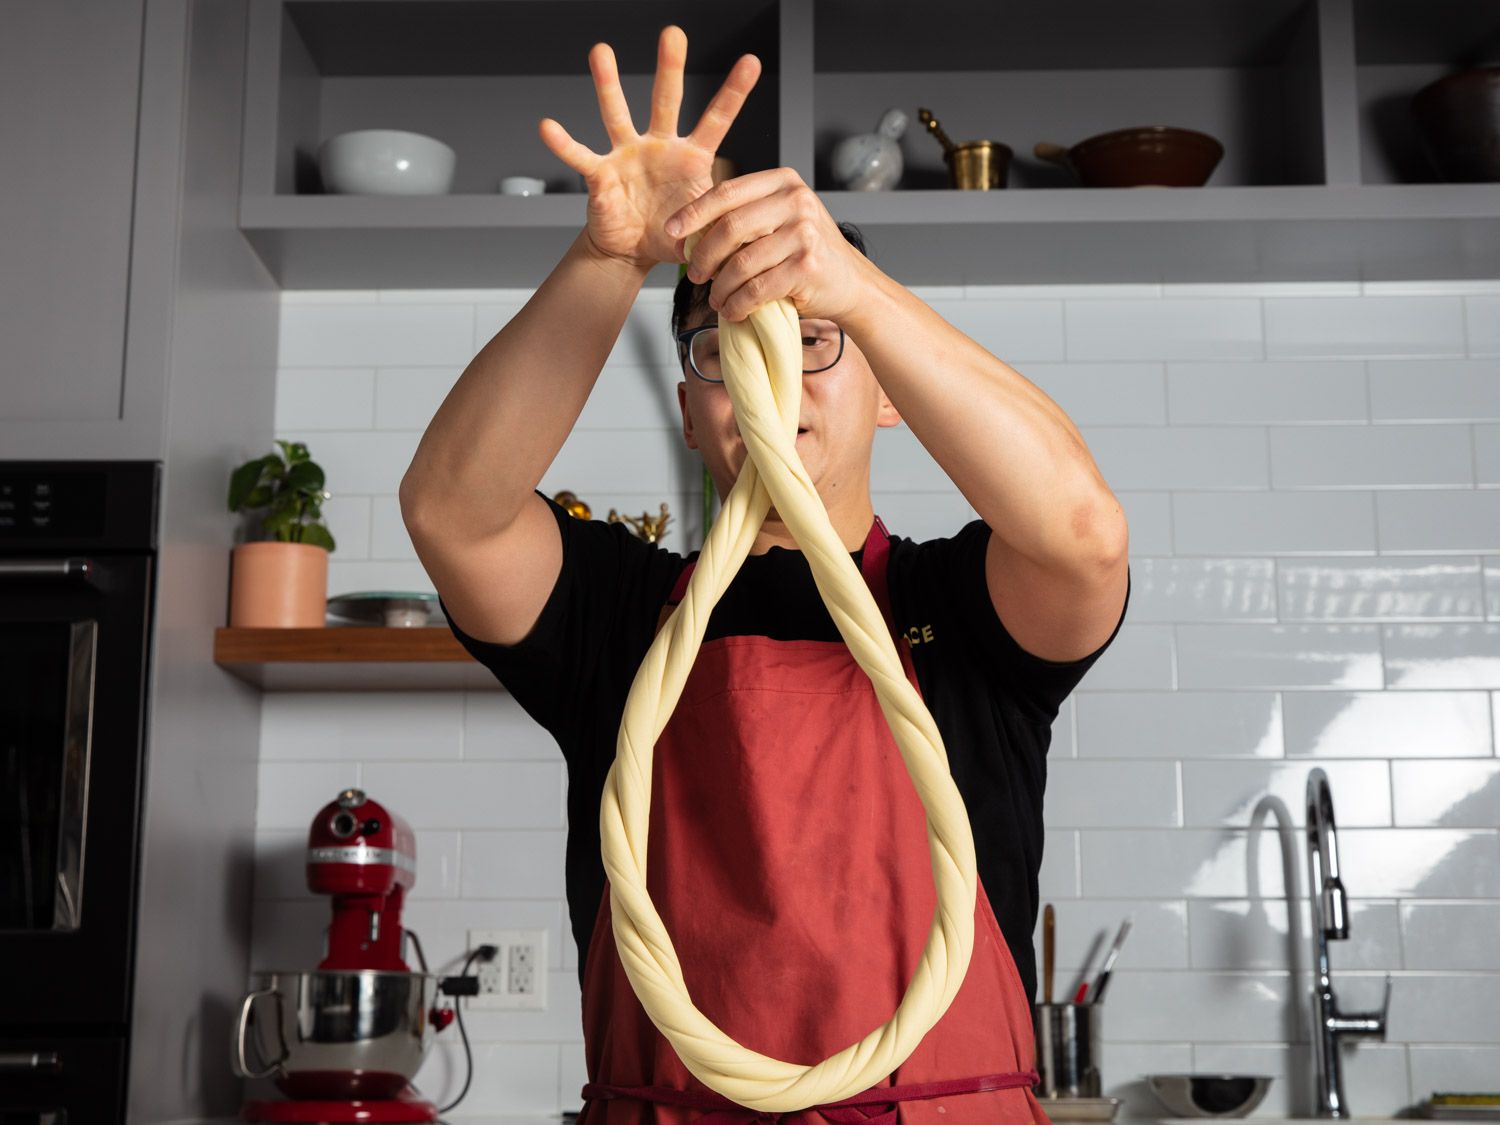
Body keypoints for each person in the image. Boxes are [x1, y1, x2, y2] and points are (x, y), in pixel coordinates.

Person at [401, 25, 1130, 1124]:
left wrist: (861, 289)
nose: (769, 367)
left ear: (893, 390)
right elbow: (450, 513)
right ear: (695, 411)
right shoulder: (619, 614)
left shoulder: (967, 611)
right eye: (722, 347)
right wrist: (611, 258)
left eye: (815, 337)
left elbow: (1085, 534)